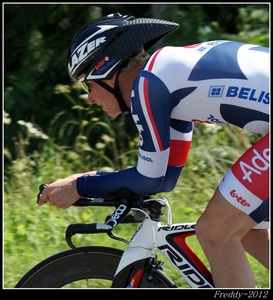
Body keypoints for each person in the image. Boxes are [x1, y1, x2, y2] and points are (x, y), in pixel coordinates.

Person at [38, 12, 269, 288]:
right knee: (245, 230)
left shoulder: (149, 83)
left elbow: (149, 179)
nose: (89, 99)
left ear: (104, 69)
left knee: (216, 231)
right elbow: (163, 178)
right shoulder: (166, 76)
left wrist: (80, 185)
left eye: (87, 84)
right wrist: (90, 181)